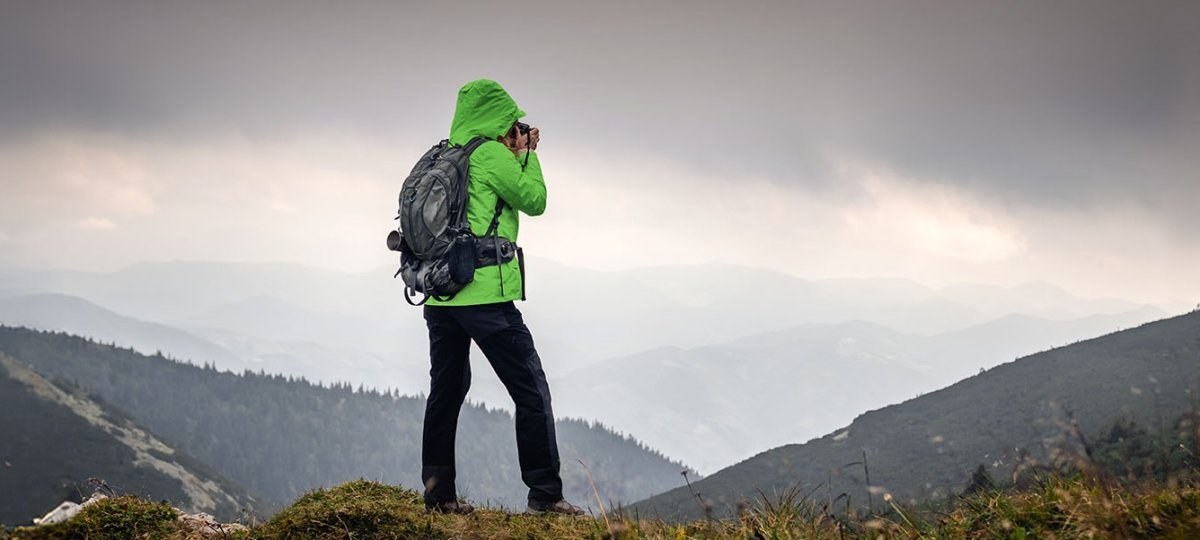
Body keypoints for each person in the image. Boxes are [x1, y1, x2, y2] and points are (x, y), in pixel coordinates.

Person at [419, 79, 583, 516]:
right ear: (497, 118)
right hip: (484, 295)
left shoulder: (446, 154)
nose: (516, 129)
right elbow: (535, 200)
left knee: (446, 393)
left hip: (440, 295)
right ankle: (545, 495)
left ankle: (438, 496)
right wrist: (527, 154)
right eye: (512, 121)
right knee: (531, 389)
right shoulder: (491, 154)